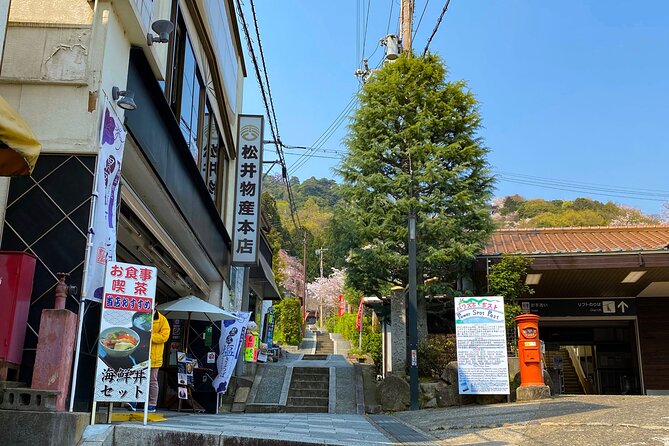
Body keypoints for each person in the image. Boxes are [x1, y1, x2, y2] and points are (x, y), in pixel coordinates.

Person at [126, 310, 171, 413]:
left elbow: (164, 336)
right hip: (139, 354)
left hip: (154, 356)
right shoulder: (138, 316)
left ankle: (152, 404)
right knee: (137, 378)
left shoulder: (162, 320)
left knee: (152, 381)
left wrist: (150, 335)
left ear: (156, 304)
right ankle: (133, 402)